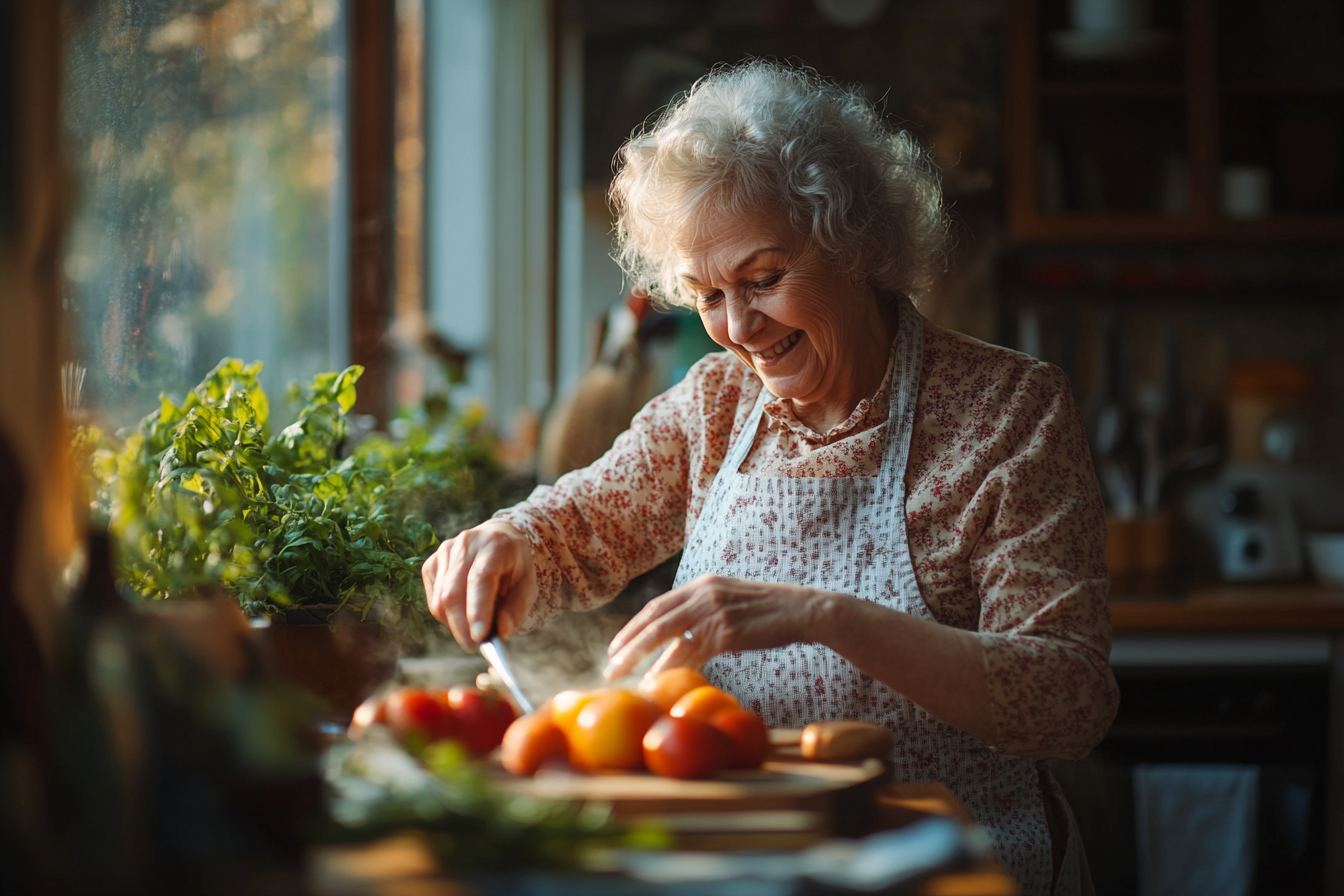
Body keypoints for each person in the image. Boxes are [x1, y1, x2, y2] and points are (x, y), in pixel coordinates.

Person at [422, 61, 1118, 896]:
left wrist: (820, 616)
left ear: (853, 242)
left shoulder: (1007, 412)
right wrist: (509, 540)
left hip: (958, 871)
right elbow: (580, 528)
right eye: (708, 296)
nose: (740, 329)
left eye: (764, 279)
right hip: (743, 871)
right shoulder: (717, 403)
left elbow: (1068, 700)